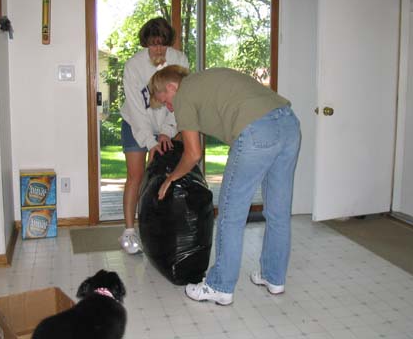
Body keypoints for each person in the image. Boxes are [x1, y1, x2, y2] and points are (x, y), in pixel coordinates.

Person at [148, 65, 301, 305]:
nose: (169, 108)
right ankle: (274, 277)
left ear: (171, 87)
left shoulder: (184, 94)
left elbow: (193, 154)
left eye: (165, 101)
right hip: (289, 123)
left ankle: (219, 286)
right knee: (279, 212)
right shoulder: (207, 78)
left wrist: (171, 178)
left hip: (256, 131)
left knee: (231, 214)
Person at [119, 18, 189, 254]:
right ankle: (129, 233)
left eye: (162, 45)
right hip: (135, 123)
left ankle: (158, 228)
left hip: (168, 123)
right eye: (153, 45)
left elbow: (182, 101)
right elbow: (137, 110)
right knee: (136, 176)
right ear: (146, 43)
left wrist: (168, 132)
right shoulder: (133, 66)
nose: (158, 50)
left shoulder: (179, 60)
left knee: (164, 176)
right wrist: (150, 142)